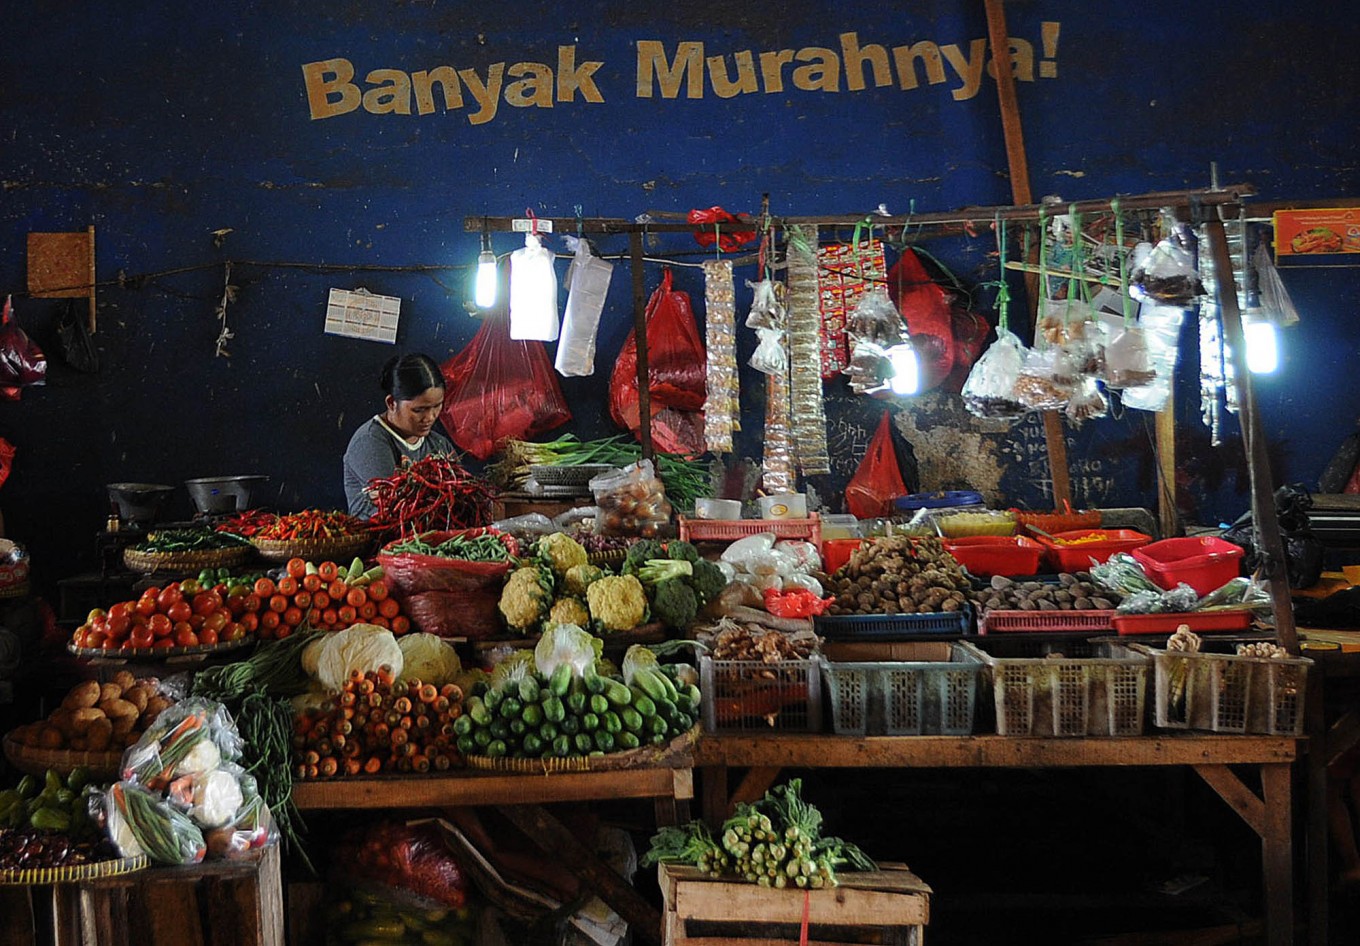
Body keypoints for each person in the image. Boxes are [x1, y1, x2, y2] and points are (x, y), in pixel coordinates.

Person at [343, 354, 454, 518]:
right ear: (391, 403)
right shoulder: (370, 441)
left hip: (429, 539)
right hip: (379, 541)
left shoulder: (439, 444)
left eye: (437, 406)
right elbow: (396, 509)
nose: (430, 417)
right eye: (419, 410)